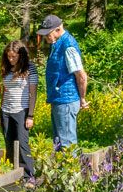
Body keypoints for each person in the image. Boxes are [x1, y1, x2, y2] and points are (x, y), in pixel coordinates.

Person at [36, 14, 88, 150]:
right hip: (58, 99)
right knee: (58, 143)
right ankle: (61, 171)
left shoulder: (68, 45)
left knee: (67, 145)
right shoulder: (57, 44)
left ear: (58, 29)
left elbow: (81, 76)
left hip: (66, 100)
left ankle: (72, 172)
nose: (46, 37)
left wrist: (82, 98)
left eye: (48, 33)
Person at [0, 40, 38, 181]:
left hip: (21, 110)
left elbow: (33, 93)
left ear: (20, 55)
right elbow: (4, 91)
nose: (11, 59)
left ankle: (29, 176)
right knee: (9, 143)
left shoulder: (30, 69)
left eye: (14, 56)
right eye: (9, 56)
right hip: (6, 111)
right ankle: (11, 174)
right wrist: (0, 111)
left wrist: (30, 115)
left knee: (22, 144)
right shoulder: (6, 69)